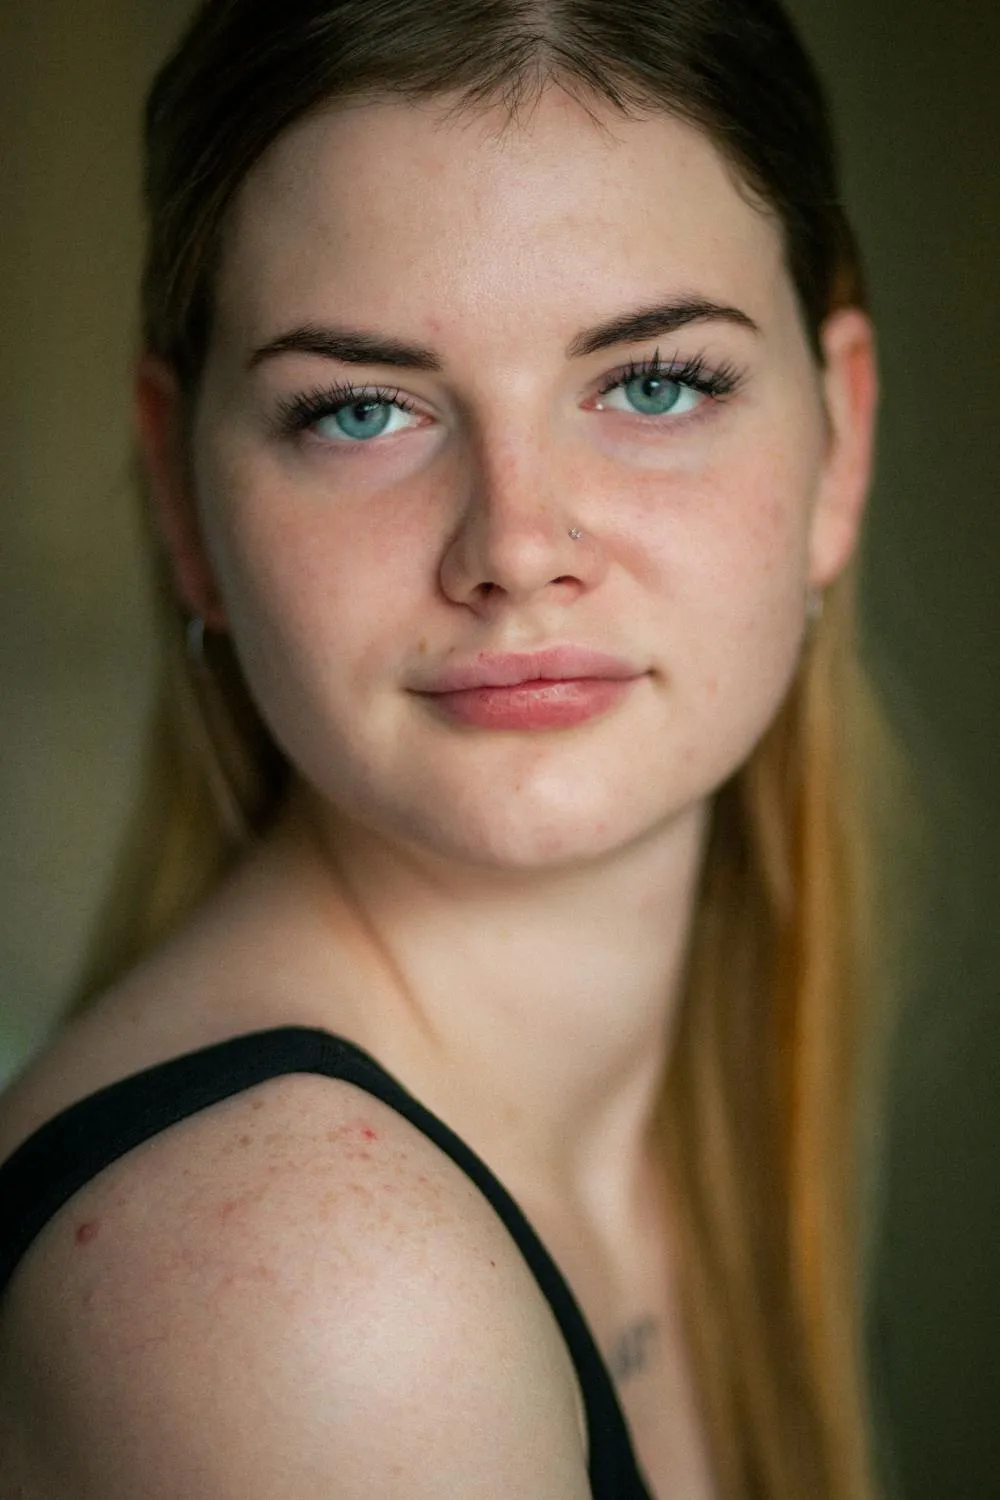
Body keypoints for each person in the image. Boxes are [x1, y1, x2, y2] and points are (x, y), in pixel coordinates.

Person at [0, 0, 906, 1495]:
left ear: (842, 440)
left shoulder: (677, 1149)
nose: (518, 547)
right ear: (181, 495)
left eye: (655, 384)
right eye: (362, 411)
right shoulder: (317, 1283)